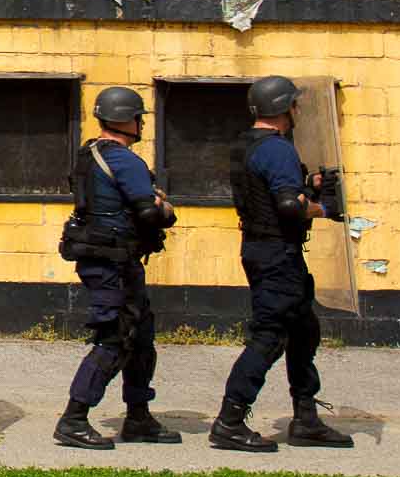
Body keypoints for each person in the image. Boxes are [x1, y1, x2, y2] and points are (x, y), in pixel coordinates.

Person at [210, 75, 353, 452]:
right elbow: (289, 206)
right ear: (283, 108)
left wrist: (311, 184)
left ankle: (306, 419)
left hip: (262, 248)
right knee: (269, 338)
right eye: (293, 104)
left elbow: (274, 191)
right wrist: (324, 208)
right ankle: (230, 421)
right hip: (276, 254)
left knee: (303, 331)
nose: (297, 111)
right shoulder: (277, 149)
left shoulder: (248, 145)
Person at [53, 86, 181, 450]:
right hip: (114, 262)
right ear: (127, 119)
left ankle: (139, 417)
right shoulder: (125, 161)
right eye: (139, 117)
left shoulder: (88, 155)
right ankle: (74, 418)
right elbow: (150, 212)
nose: (141, 124)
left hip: (109, 258)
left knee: (140, 337)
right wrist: (166, 209)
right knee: (116, 335)